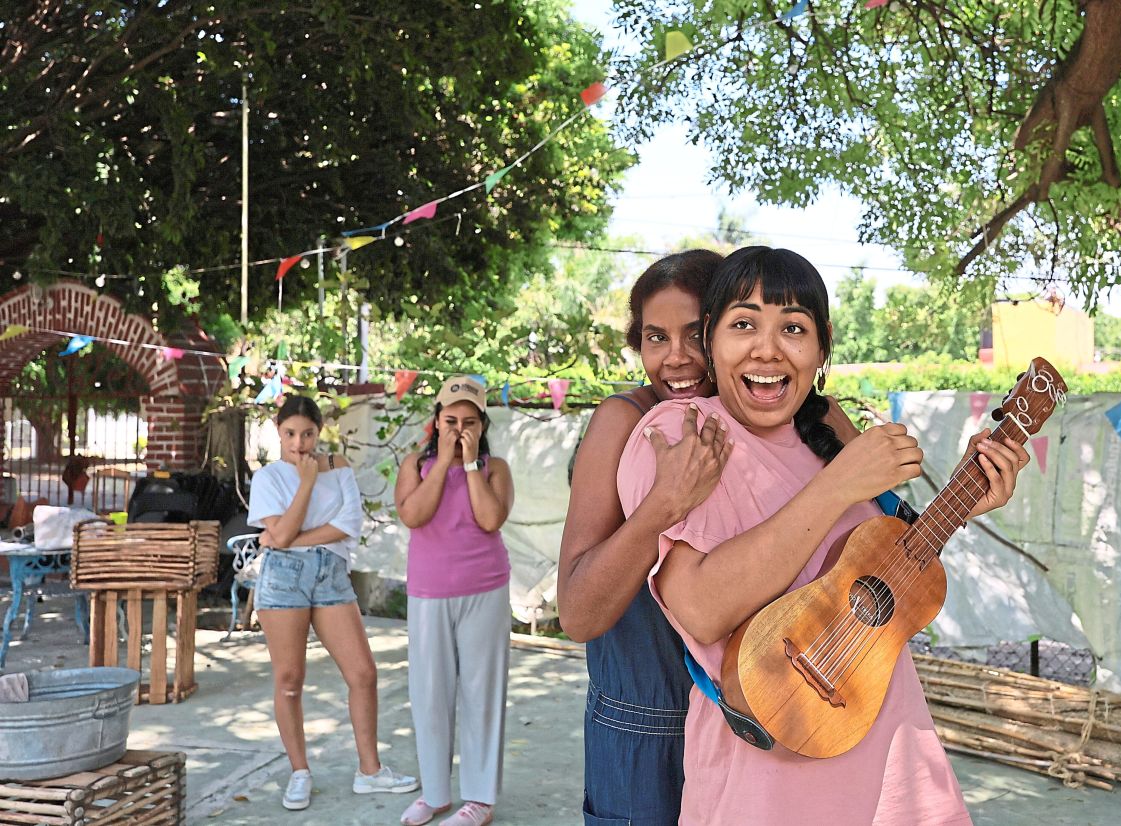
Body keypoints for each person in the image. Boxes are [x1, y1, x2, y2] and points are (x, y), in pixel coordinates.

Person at [616, 246, 1030, 825]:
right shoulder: (682, 432)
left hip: (897, 767)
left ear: (821, 346)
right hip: (768, 789)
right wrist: (838, 485)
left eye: (793, 328)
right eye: (743, 324)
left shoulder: (828, 440)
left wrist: (964, 502)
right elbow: (701, 611)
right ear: (710, 338)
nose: (767, 348)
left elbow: (880, 577)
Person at [557, 249, 859, 825]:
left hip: (770, 712)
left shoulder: (802, 417)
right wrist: (661, 508)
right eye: (654, 337)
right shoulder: (626, 423)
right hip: (648, 720)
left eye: (695, 334)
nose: (676, 359)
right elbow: (577, 614)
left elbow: (876, 542)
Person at [247, 395, 417, 811]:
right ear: (278, 429)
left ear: (319, 432)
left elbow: (347, 526)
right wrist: (305, 485)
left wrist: (282, 537)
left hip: (330, 574)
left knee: (363, 672)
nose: (300, 443)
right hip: (283, 581)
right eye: (290, 433)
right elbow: (286, 533)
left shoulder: (338, 466)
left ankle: (370, 771)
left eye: (308, 434)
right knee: (289, 680)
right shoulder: (268, 477)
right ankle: (299, 772)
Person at [394, 376, 514, 826]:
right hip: (429, 590)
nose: (459, 428)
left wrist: (467, 466)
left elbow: (489, 519)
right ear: (435, 422)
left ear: (482, 424)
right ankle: (435, 792)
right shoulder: (415, 465)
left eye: (469, 421)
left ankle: (480, 799)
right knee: (429, 693)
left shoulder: (494, 468)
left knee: (482, 692)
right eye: (450, 420)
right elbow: (413, 515)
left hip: (484, 587)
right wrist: (442, 462)